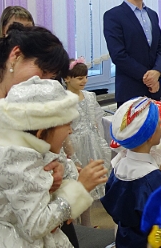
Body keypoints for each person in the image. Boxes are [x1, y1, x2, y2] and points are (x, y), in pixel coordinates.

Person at [0, 77, 108, 248]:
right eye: (67, 124)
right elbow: (36, 226)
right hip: (11, 238)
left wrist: (71, 175)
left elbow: (64, 166)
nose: (70, 130)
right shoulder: (16, 162)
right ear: (41, 131)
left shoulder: (36, 146)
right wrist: (78, 189)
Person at [0, 24, 70, 248]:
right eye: (42, 73)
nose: (42, 83)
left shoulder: (34, 107)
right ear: (16, 55)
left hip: (28, 226)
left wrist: (56, 169)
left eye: (50, 78)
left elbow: (48, 150)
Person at [101, 97, 161, 248]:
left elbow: (113, 205)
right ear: (150, 135)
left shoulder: (118, 167)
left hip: (124, 239)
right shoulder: (152, 177)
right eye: (159, 124)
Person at [103, 0, 161, 106]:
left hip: (154, 91)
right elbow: (118, 55)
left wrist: (157, 72)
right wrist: (149, 78)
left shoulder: (152, 15)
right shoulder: (113, 16)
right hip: (130, 92)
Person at [63, 58, 112, 226]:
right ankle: (79, 226)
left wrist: (101, 142)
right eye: (79, 78)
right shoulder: (64, 100)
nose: (84, 81)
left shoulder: (90, 96)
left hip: (93, 144)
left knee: (90, 187)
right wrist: (71, 155)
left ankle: (88, 224)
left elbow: (97, 120)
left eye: (85, 77)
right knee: (78, 186)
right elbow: (65, 129)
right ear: (67, 78)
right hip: (76, 146)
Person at [0, 5, 34, 69]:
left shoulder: (38, 53)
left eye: (28, 27)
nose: (23, 31)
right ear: (3, 29)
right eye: (16, 27)